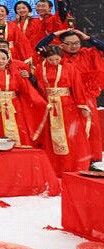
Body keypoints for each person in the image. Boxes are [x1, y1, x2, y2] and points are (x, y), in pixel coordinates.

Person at [32, 45, 94, 173]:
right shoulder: (39, 68)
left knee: (70, 136)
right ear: (45, 58)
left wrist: (82, 104)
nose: (54, 62)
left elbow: (77, 86)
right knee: (49, 137)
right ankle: (53, 167)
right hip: (48, 106)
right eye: (51, 60)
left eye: (57, 59)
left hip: (67, 106)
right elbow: (38, 87)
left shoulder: (70, 68)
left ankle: (72, 165)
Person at [0, 49, 44, 146]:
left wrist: (39, 101)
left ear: (8, 60)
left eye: (3, 58)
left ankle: (17, 147)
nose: (0, 61)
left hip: (14, 105)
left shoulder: (16, 73)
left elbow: (26, 89)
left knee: (18, 127)